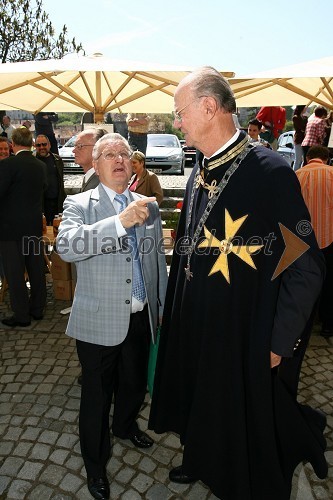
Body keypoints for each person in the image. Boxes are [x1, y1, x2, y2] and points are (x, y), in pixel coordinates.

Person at [148, 67, 327, 500]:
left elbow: (306, 266)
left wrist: (277, 342)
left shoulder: (269, 171)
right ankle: (197, 457)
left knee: (235, 416)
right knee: (197, 399)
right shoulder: (199, 171)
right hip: (194, 322)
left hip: (241, 329)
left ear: (209, 107)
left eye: (180, 112)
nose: (177, 122)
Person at [57, 132, 167, 500]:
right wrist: (118, 222)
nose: (119, 159)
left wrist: (161, 307)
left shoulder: (146, 203)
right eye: (109, 154)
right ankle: (95, 466)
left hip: (139, 316)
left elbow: (154, 261)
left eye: (124, 153)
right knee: (96, 398)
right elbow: (67, 246)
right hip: (98, 321)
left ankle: (124, 426)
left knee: (134, 384)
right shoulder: (79, 203)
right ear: (96, 163)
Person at [0, 127, 47, 327]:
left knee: (15, 272)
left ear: (13, 143)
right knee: (36, 268)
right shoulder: (40, 165)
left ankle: (21, 315)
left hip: (10, 229)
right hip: (34, 226)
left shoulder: (8, 165)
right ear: (31, 143)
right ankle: (37, 309)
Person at [296, 146, 333, 337]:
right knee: (329, 282)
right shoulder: (332, 174)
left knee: (302, 282)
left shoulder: (296, 175)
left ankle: (301, 325)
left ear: (308, 158)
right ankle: (327, 323)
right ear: (326, 159)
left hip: (301, 239)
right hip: (329, 237)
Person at [35, 134, 66, 225]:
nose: (41, 147)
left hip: (57, 203)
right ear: (35, 147)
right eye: (38, 145)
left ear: (49, 145)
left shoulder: (57, 160)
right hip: (40, 204)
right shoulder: (33, 162)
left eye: (44, 144)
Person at [292, 105, 308, 170]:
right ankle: (295, 175)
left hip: (305, 139)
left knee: (304, 159)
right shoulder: (296, 117)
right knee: (298, 160)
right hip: (299, 139)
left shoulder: (305, 117)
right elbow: (302, 127)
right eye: (305, 107)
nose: (306, 109)